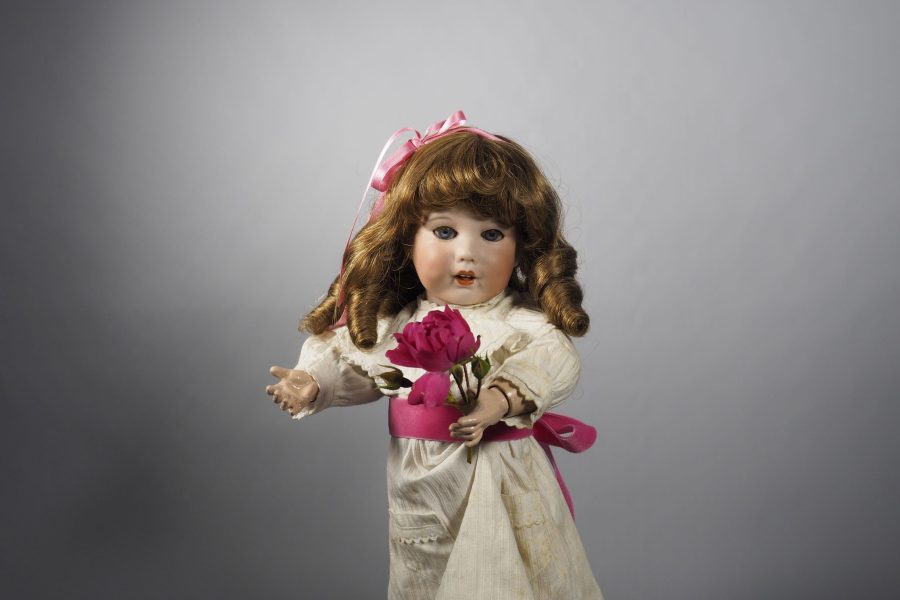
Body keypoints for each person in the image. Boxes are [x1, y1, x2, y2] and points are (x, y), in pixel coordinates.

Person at [266, 112, 605, 599]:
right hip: (422, 492)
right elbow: (356, 362)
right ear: (408, 239)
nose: (467, 253)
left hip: (503, 479)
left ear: (521, 245)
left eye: (492, 235)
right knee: (425, 576)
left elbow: (554, 360)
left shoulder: (520, 320)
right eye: (445, 232)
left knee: (504, 578)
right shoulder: (397, 322)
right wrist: (313, 381)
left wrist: (500, 398)